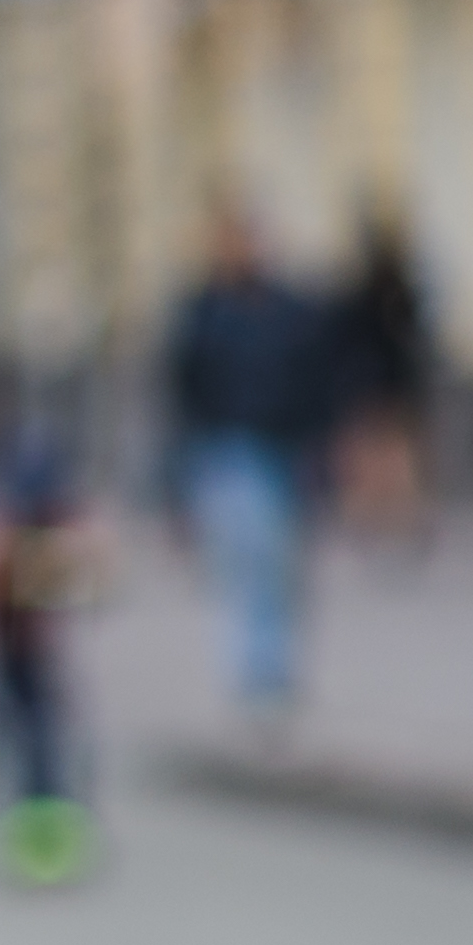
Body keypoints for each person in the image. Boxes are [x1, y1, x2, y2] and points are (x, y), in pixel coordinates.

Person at [158, 204, 338, 713]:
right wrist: (179, 471)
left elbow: (316, 377)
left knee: (282, 565)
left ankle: (273, 665)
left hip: (285, 449)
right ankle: (256, 669)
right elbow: (183, 388)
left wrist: (319, 442)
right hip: (228, 450)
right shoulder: (203, 311)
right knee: (247, 559)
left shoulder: (287, 308)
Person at [0, 425, 104, 885]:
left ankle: (53, 827)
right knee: (21, 741)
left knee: (48, 743)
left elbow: (92, 585)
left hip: (38, 655)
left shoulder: (58, 527)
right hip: (7, 653)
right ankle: (28, 830)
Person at [324, 202, 437, 555]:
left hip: (375, 385)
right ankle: (389, 522)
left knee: (382, 459)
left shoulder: (368, 291)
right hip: (383, 385)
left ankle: (386, 521)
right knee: (384, 459)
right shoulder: (394, 290)